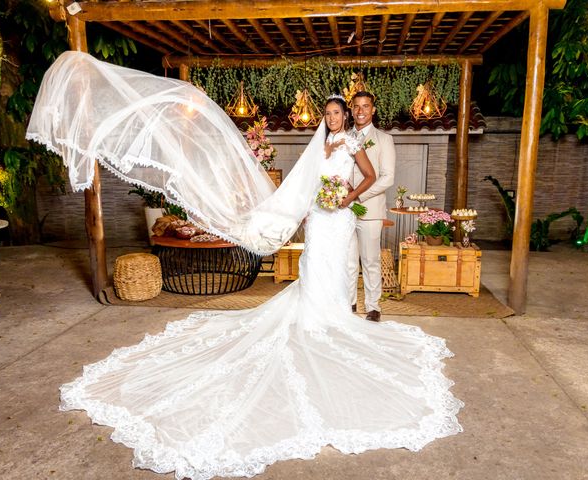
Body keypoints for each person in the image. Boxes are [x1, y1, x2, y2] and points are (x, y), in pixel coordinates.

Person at [30, 52, 462, 480]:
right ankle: (320, 316)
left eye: (336, 113)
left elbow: (367, 177)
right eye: (328, 113)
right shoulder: (323, 144)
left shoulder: (351, 142)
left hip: (341, 216)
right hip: (318, 218)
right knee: (316, 266)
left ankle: (334, 318)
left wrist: (346, 198)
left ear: (346, 116)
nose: (332, 118)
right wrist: (298, 209)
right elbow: (303, 183)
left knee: (339, 266)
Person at [348, 91, 396, 322]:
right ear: (351, 110)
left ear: (373, 110)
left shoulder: (384, 139)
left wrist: (358, 197)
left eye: (365, 106)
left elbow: (387, 177)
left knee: (370, 260)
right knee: (347, 260)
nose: (360, 111)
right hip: (343, 210)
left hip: (370, 209)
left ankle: (373, 306)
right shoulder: (343, 137)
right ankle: (349, 303)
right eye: (356, 106)